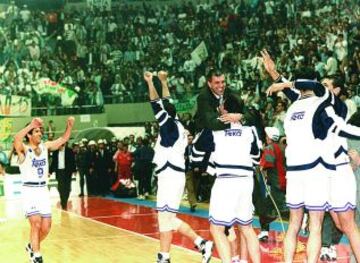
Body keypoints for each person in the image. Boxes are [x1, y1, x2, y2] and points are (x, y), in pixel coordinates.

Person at [262, 49, 360, 262]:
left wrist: (281, 79)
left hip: (321, 170)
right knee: (321, 225)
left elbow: (303, 92)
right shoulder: (316, 104)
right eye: (321, 84)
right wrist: (280, 79)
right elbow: (303, 94)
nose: (323, 88)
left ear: (336, 90)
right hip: (318, 170)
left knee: (336, 223)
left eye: (327, 86)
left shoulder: (321, 107)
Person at [144, 70, 213, 263]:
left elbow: (156, 105)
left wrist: (151, 82)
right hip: (171, 175)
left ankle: (201, 242)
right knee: (164, 219)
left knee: (167, 218)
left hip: (170, 176)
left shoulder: (168, 126)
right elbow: (168, 103)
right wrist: (164, 82)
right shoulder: (177, 124)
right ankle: (164, 256)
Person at [192, 99, 262, 263]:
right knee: (247, 227)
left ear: (224, 109)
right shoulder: (249, 128)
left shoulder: (214, 128)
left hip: (226, 180)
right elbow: (257, 157)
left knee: (217, 228)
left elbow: (195, 154)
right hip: (246, 180)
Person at [14, 117, 74, 263]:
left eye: (40, 130)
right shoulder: (24, 149)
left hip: (43, 191)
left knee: (46, 228)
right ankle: (37, 256)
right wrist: (30, 125)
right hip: (30, 191)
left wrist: (69, 126)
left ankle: (31, 246)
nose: (40, 133)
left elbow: (63, 139)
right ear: (29, 134)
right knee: (35, 223)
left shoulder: (46, 146)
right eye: (36, 131)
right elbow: (16, 138)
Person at [257, 126, 287, 242]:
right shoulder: (282, 147)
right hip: (283, 181)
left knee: (270, 209)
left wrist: (261, 167)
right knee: (269, 208)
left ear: (269, 138)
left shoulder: (269, 148)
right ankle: (264, 231)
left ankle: (265, 232)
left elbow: (267, 164)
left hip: (274, 183)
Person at [50, 143, 76, 210]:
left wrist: (74, 170)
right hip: (59, 172)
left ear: (63, 145)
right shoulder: (55, 152)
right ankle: (63, 202)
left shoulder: (69, 151)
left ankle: (65, 201)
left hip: (67, 172)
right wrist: (50, 171)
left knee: (67, 188)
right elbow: (53, 162)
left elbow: (73, 161)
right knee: (60, 188)